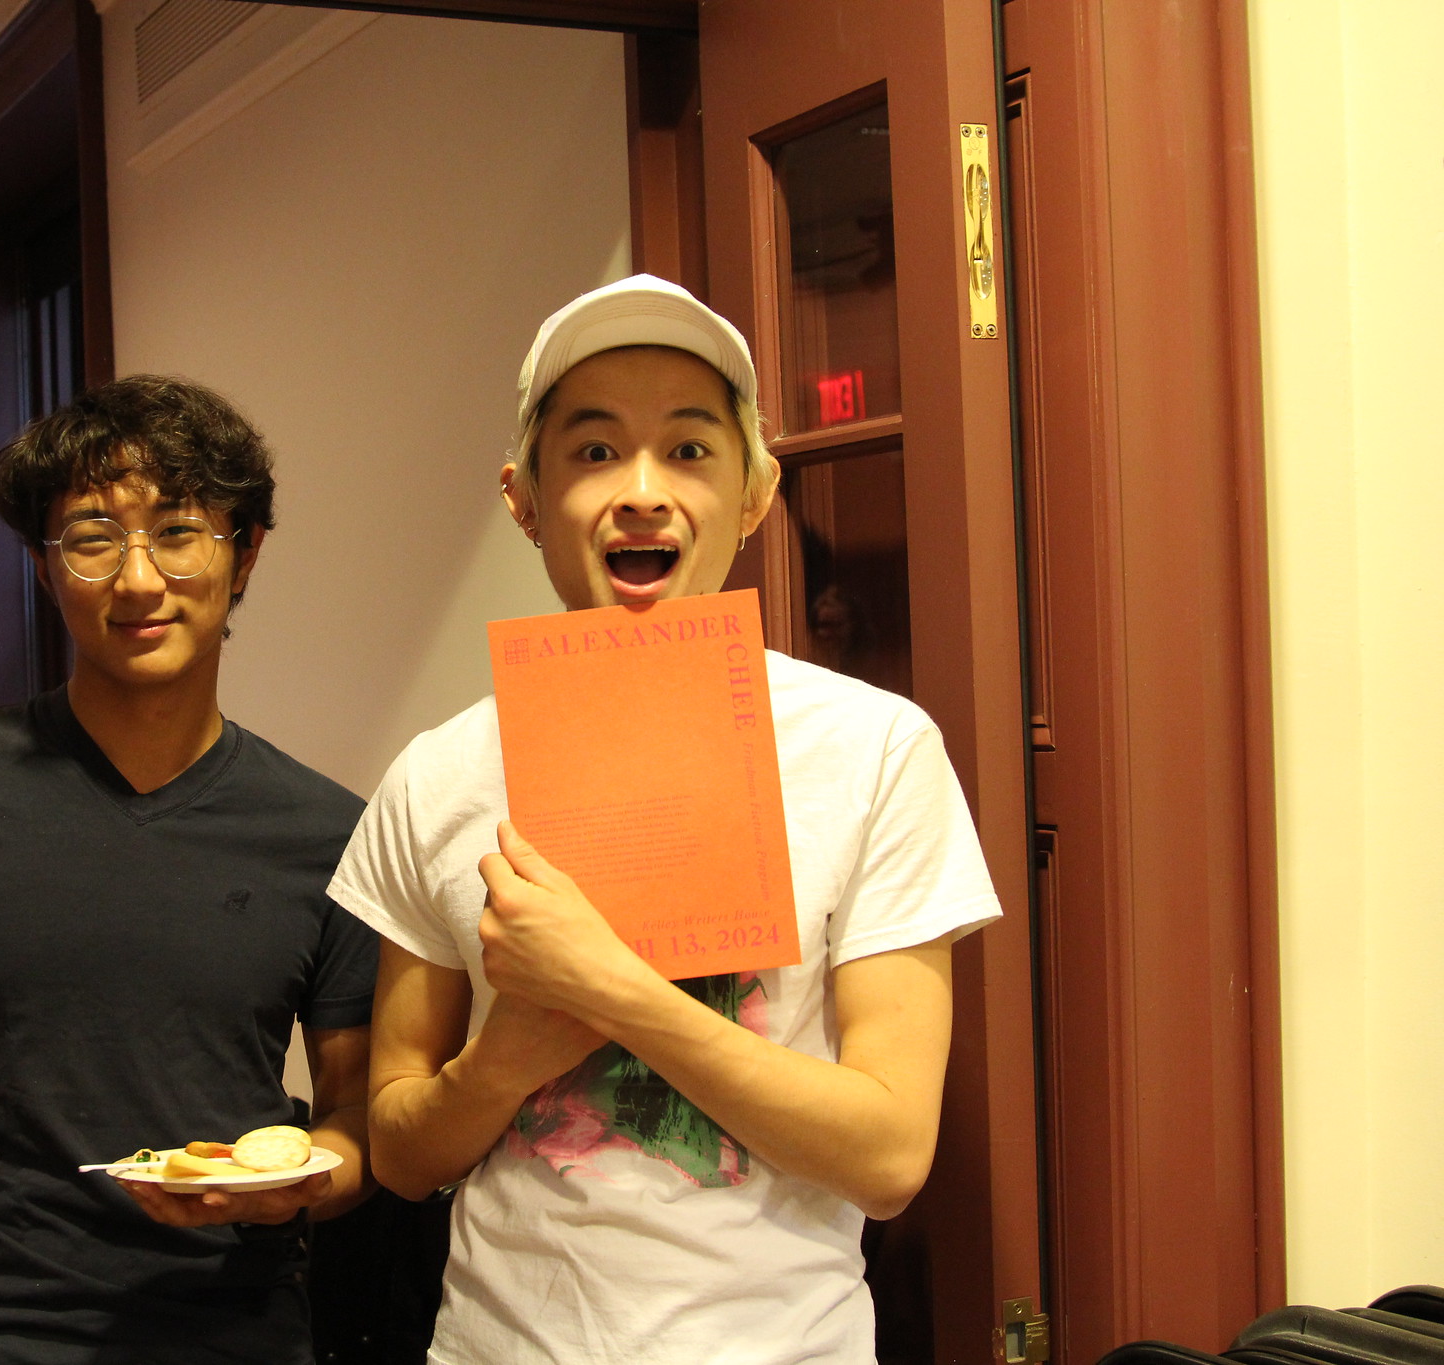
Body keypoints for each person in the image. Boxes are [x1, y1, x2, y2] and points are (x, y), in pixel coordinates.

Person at [330, 275, 1002, 1365]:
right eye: (593, 452)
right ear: (522, 498)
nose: (642, 493)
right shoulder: (437, 776)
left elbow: (888, 1156)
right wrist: (501, 1060)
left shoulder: (874, 749)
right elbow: (401, 1153)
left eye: (689, 450)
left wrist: (612, 992)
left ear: (755, 492)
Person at [0, 376, 379, 1365]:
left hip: (239, 1338)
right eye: (94, 538)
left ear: (244, 554)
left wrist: (302, 1181)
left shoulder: (329, 832)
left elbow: (356, 1116)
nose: (138, 580)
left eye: (179, 532)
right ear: (43, 565)